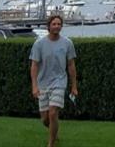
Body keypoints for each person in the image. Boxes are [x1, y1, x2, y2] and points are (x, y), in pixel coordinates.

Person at [29, 14, 78, 147]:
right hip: (43, 83)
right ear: (48, 26)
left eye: (59, 24)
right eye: (54, 24)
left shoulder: (68, 43)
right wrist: (34, 86)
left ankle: (51, 144)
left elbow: (71, 65)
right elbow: (34, 66)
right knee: (45, 119)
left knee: (53, 112)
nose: (57, 26)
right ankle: (54, 131)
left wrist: (74, 86)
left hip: (59, 82)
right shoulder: (39, 44)